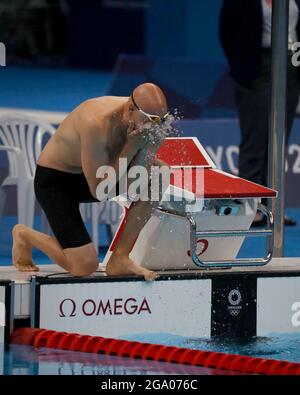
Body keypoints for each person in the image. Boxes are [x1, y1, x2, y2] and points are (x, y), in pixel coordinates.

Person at [12, 83, 169, 281]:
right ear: (131, 108)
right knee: (83, 266)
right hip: (57, 182)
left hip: (102, 177)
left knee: (160, 173)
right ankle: (24, 234)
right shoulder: (95, 122)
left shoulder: (144, 121)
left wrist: (147, 150)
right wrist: (131, 147)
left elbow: (134, 183)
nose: (155, 126)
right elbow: (100, 191)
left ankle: (120, 257)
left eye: (162, 120)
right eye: (152, 120)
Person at [219, 0, 300, 226]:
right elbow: (227, 31)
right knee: (254, 140)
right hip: (255, 70)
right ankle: (250, 207)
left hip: (291, 66)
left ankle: (275, 207)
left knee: (279, 140)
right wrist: (240, 65)